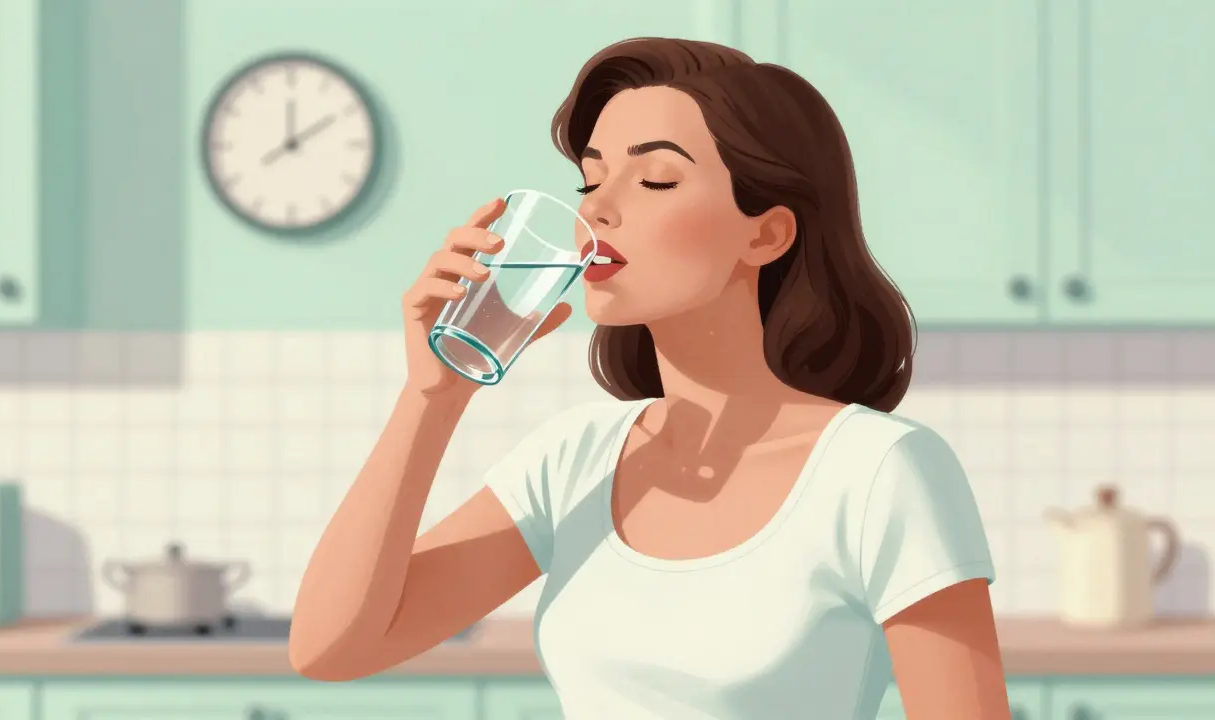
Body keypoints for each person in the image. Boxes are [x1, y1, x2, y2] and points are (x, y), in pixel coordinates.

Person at [290, 37, 1009, 720]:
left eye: (656, 178)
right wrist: (433, 397)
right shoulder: (574, 459)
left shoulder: (879, 470)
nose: (596, 208)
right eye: (592, 179)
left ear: (766, 234)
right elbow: (331, 648)